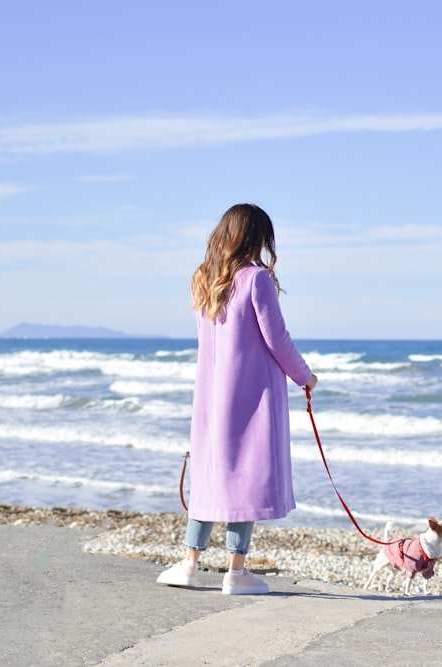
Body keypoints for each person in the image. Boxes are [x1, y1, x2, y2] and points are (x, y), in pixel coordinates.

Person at [156, 203, 319, 595]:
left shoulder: (203, 279)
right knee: (244, 477)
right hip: (251, 395)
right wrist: (305, 376)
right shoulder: (257, 279)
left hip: (212, 396)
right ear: (255, 237)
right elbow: (276, 339)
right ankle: (236, 570)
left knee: (212, 477)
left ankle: (189, 563)